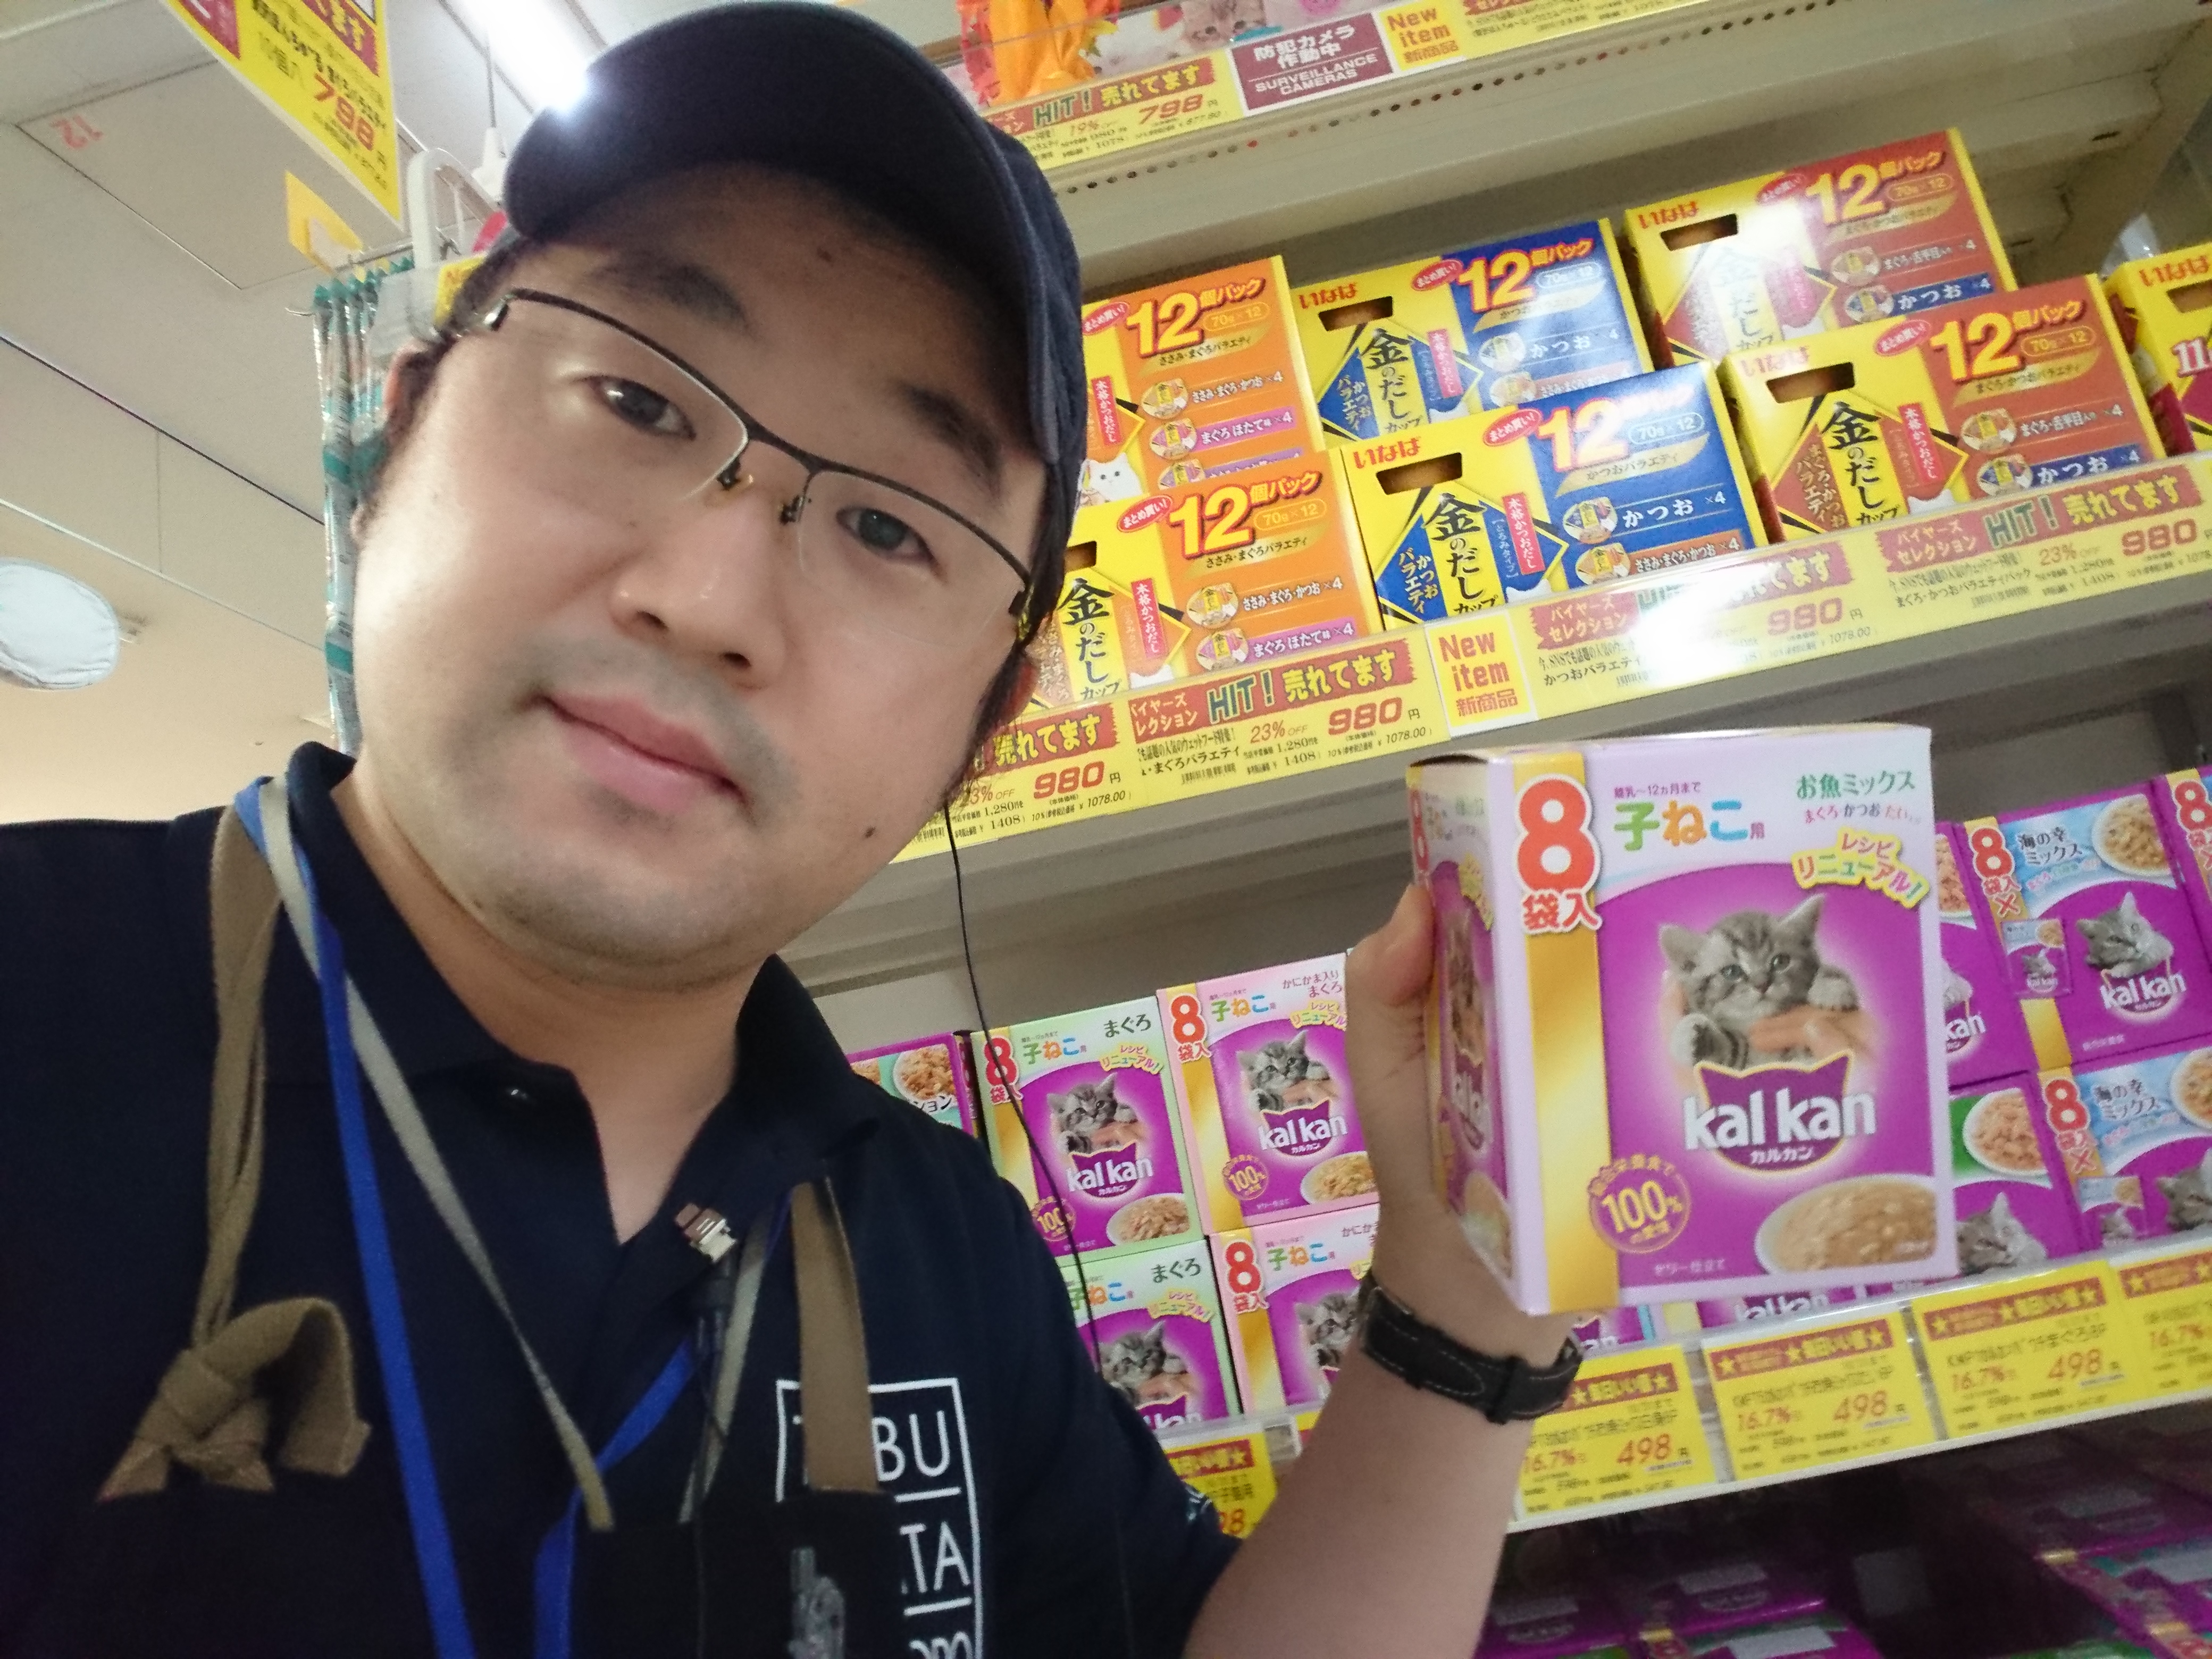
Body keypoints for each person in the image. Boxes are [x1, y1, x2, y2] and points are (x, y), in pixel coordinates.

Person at [0, 6, 1579, 1655]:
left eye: (890, 527)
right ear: (397, 438)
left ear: (987, 721)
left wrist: (1468, 1272)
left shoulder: (944, 1245)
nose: (706, 599)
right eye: (636, 401)